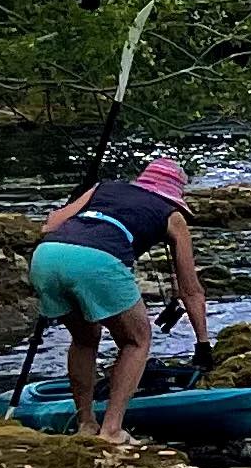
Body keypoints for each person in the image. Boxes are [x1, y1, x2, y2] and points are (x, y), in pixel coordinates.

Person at [28, 157, 211, 445]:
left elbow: (49, 225)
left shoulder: (104, 188)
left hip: (47, 256)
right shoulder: (172, 215)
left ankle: (85, 423)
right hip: (98, 262)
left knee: (85, 338)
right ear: (175, 194)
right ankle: (112, 430)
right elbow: (191, 290)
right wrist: (203, 344)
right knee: (136, 340)